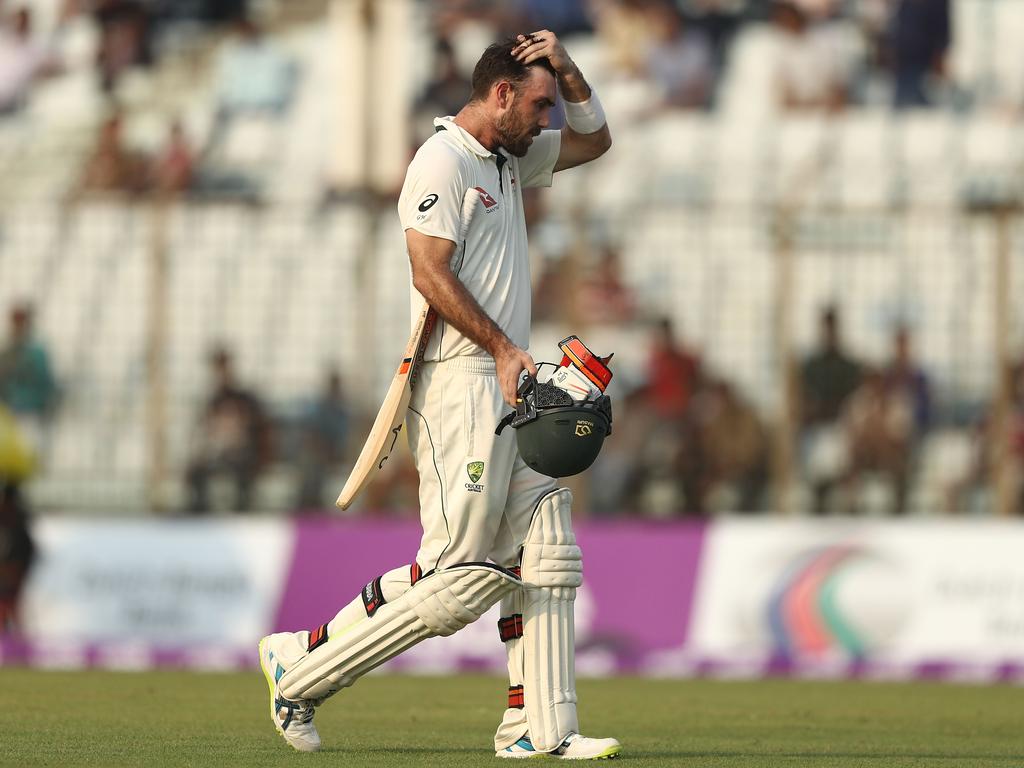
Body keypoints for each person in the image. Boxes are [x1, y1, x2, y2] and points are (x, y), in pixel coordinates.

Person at [258, 31, 618, 759]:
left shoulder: (510, 160)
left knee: (547, 543)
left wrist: (570, 70)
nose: (550, 119)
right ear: (501, 94)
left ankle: (539, 733)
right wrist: (500, 347)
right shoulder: (444, 160)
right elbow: (429, 273)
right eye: (541, 103)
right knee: (455, 576)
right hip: (460, 383)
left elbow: (596, 141)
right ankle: (300, 667)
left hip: (510, 381)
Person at [184, 347, 271, 513]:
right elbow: (208, 430)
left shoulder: (243, 398)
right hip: (221, 452)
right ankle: (200, 511)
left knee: (242, 472)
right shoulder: (214, 400)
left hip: (242, 453)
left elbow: (255, 431)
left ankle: (242, 510)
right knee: (197, 471)